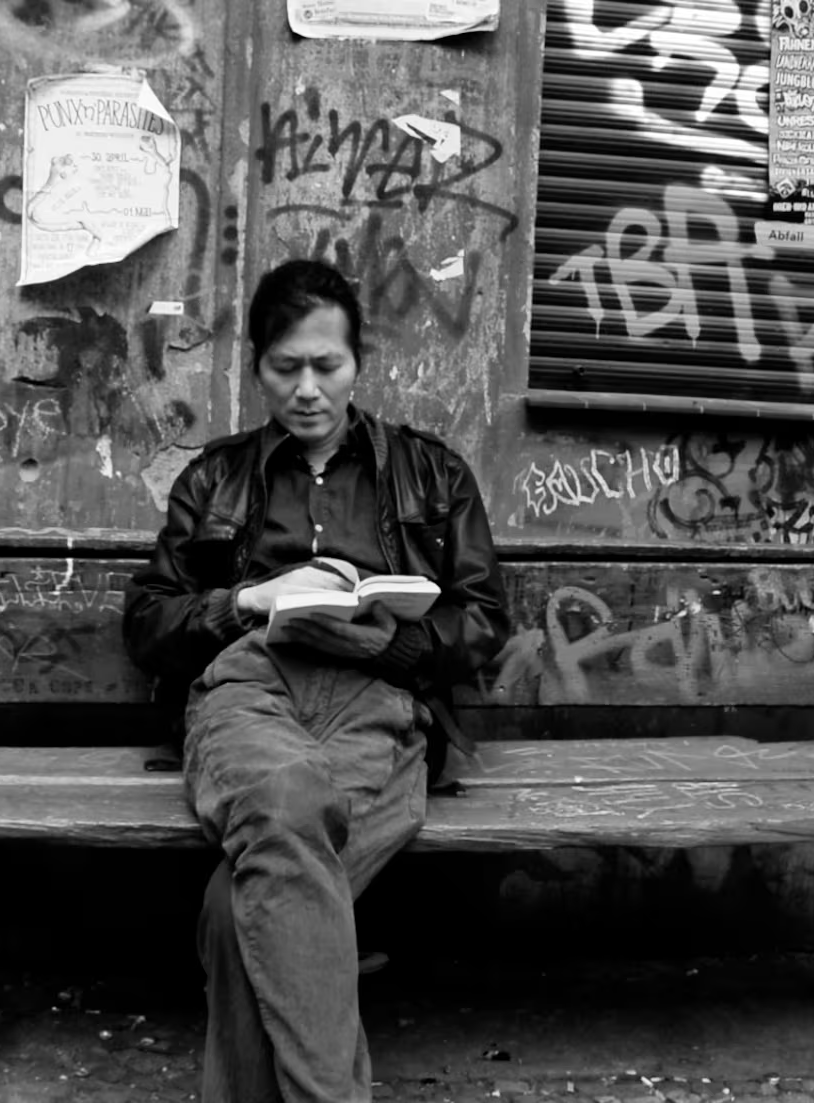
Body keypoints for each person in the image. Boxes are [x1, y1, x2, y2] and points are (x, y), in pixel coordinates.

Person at [123, 259, 509, 1103]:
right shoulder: (214, 477)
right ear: (257, 367)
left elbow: (484, 618)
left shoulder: (430, 472)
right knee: (288, 798)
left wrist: (394, 642)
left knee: (235, 907)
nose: (306, 390)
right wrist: (244, 600)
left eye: (326, 366)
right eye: (285, 367)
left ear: (357, 362)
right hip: (249, 688)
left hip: (378, 698)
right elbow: (149, 622)